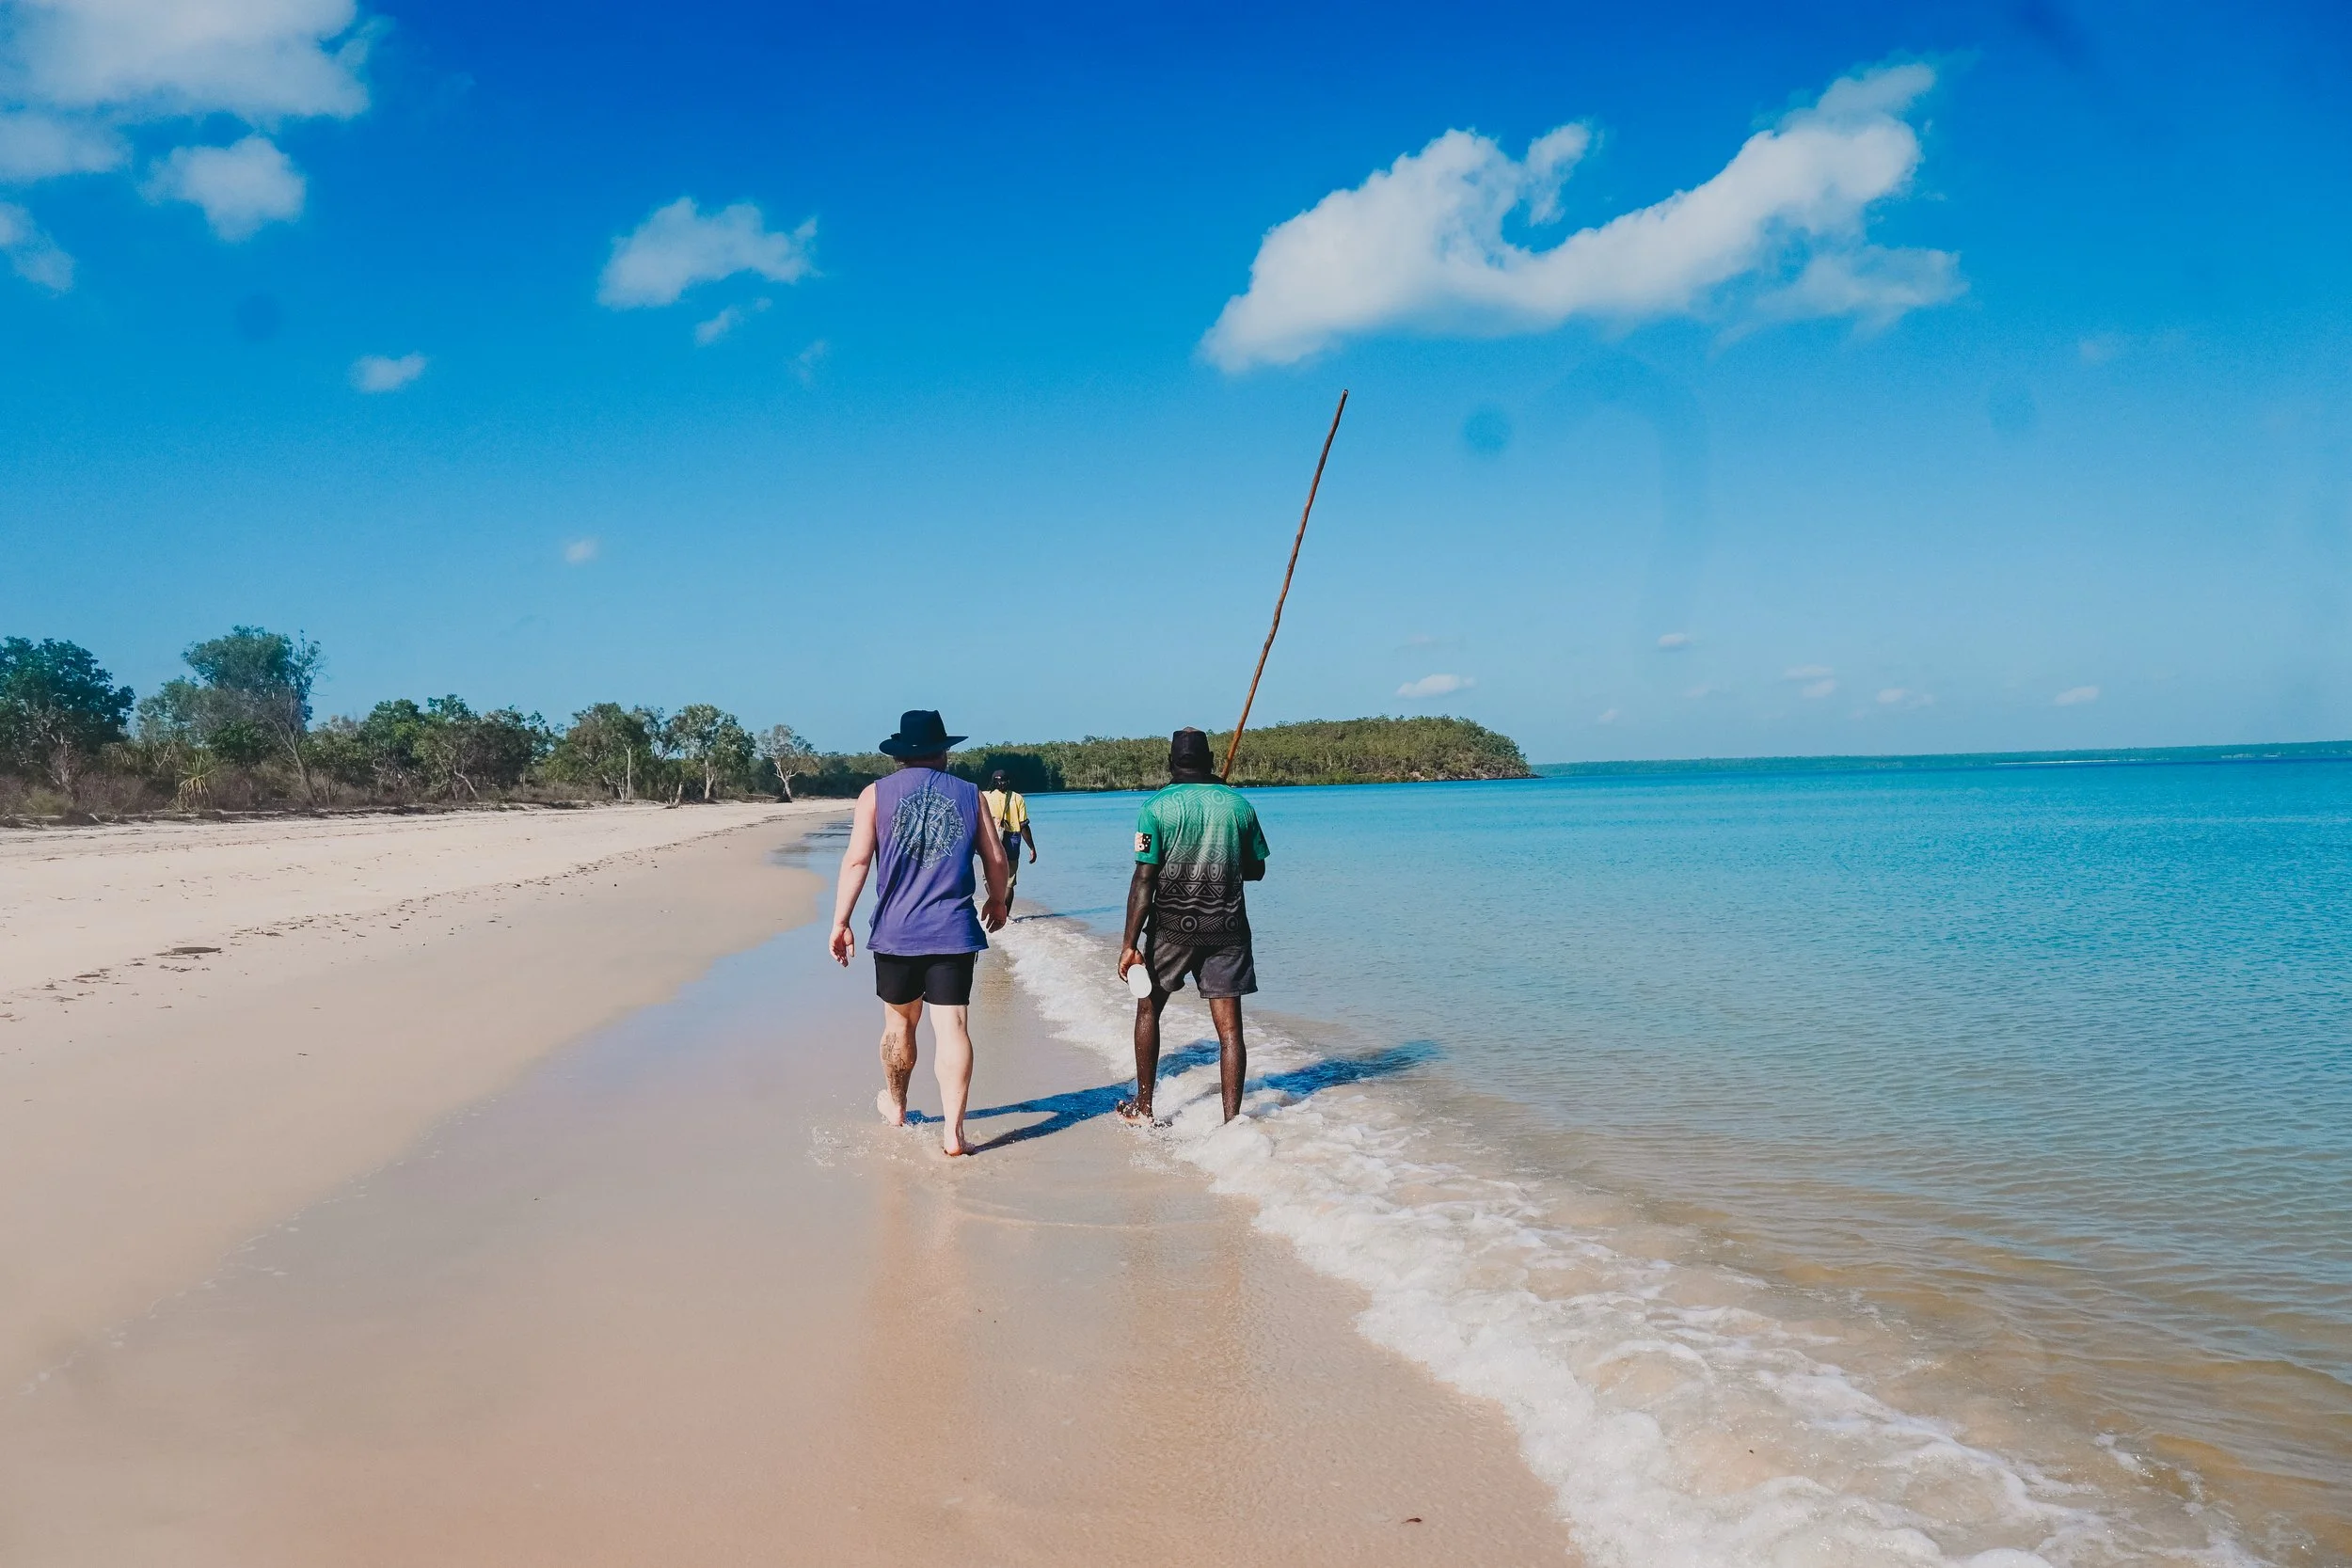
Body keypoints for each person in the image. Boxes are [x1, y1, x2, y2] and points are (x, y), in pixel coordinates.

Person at [830, 709, 1011, 1157]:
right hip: (952, 931)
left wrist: (841, 920)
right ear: (943, 751)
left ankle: (897, 1107)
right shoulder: (971, 794)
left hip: (896, 931)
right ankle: (953, 1133)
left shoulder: (874, 795)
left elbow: (857, 860)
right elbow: (996, 859)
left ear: (901, 755)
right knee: (952, 1027)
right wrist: (998, 899)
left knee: (899, 1023)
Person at [1114, 727, 1269, 1125]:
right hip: (1227, 928)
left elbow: (1144, 879)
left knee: (1149, 1009)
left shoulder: (1156, 808)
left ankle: (1144, 1108)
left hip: (1170, 929)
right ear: (1212, 761)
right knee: (1230, 1030)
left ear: (1170, 762)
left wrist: (1130, 943)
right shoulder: (1238, 806)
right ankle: (1232, 1123)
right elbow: (1256, 870)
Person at [980, 768, 1038, 897]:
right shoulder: (1017, 798)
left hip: (991, 839)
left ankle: (996, 902)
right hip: (1012, 839)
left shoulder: (984, 796)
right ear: (1009, 781)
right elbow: (1023, 826)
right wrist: (1032, 847)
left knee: (988, 876)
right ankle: (1004, 914)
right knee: (1009, 881)